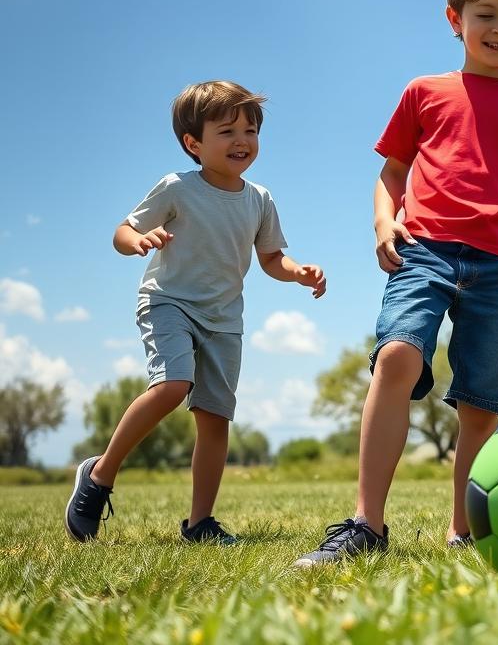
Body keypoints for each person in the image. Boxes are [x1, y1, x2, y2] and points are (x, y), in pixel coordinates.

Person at [294, 0, 498, 565]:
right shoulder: (424, 92)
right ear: (456, 17)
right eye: (486, 12)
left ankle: (465, 527)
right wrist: (381, 223)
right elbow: (390, 174)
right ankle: (365, 524)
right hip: (422, 253)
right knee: (396, 357)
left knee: (482, 402)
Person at [65, 81, 326, 544]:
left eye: (250, 129)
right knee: (172, 385)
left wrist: (297, 271)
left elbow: (270, 259)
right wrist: (139, 241)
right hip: (168, 301)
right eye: (227, 131)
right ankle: (100, 474)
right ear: (194, 143)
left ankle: (200, 522)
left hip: (224, 318)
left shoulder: (259, 199)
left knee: (214, 416)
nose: (242, 140)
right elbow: (123, 231)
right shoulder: (177, 188)